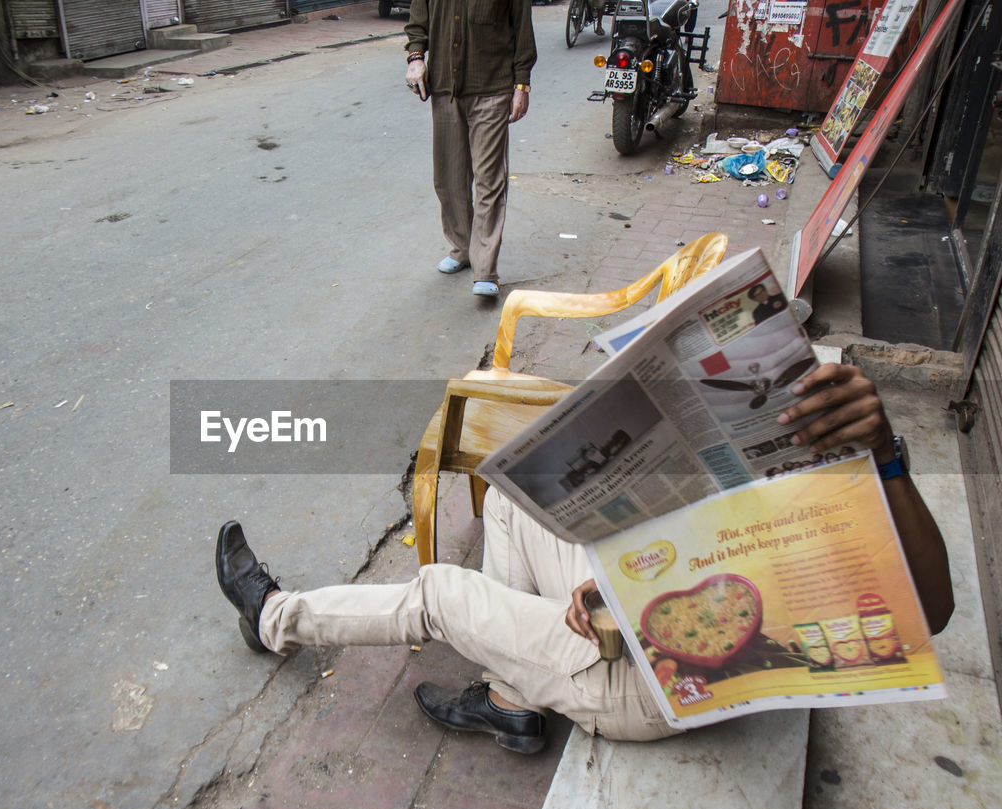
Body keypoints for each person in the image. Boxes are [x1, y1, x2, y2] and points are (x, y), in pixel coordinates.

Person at [216, 364, 954, 752]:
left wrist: (884, 459)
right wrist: (612, 575)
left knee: (440, 591)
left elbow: (936, 611)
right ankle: (512, 700)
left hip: (649, 686)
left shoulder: (858, 489)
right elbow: (697, 548)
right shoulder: (763, 480)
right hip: (626, 619)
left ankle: (274, 617)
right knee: (509, 495)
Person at [404, 0, 537, 298]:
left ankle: (485, 269)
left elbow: (523, 32)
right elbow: (417, 22)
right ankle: (462, 248)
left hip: (493, 88)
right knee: (448, 178)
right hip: (444, 89)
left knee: (489, 179)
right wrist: (416, 58)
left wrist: (521, 86)